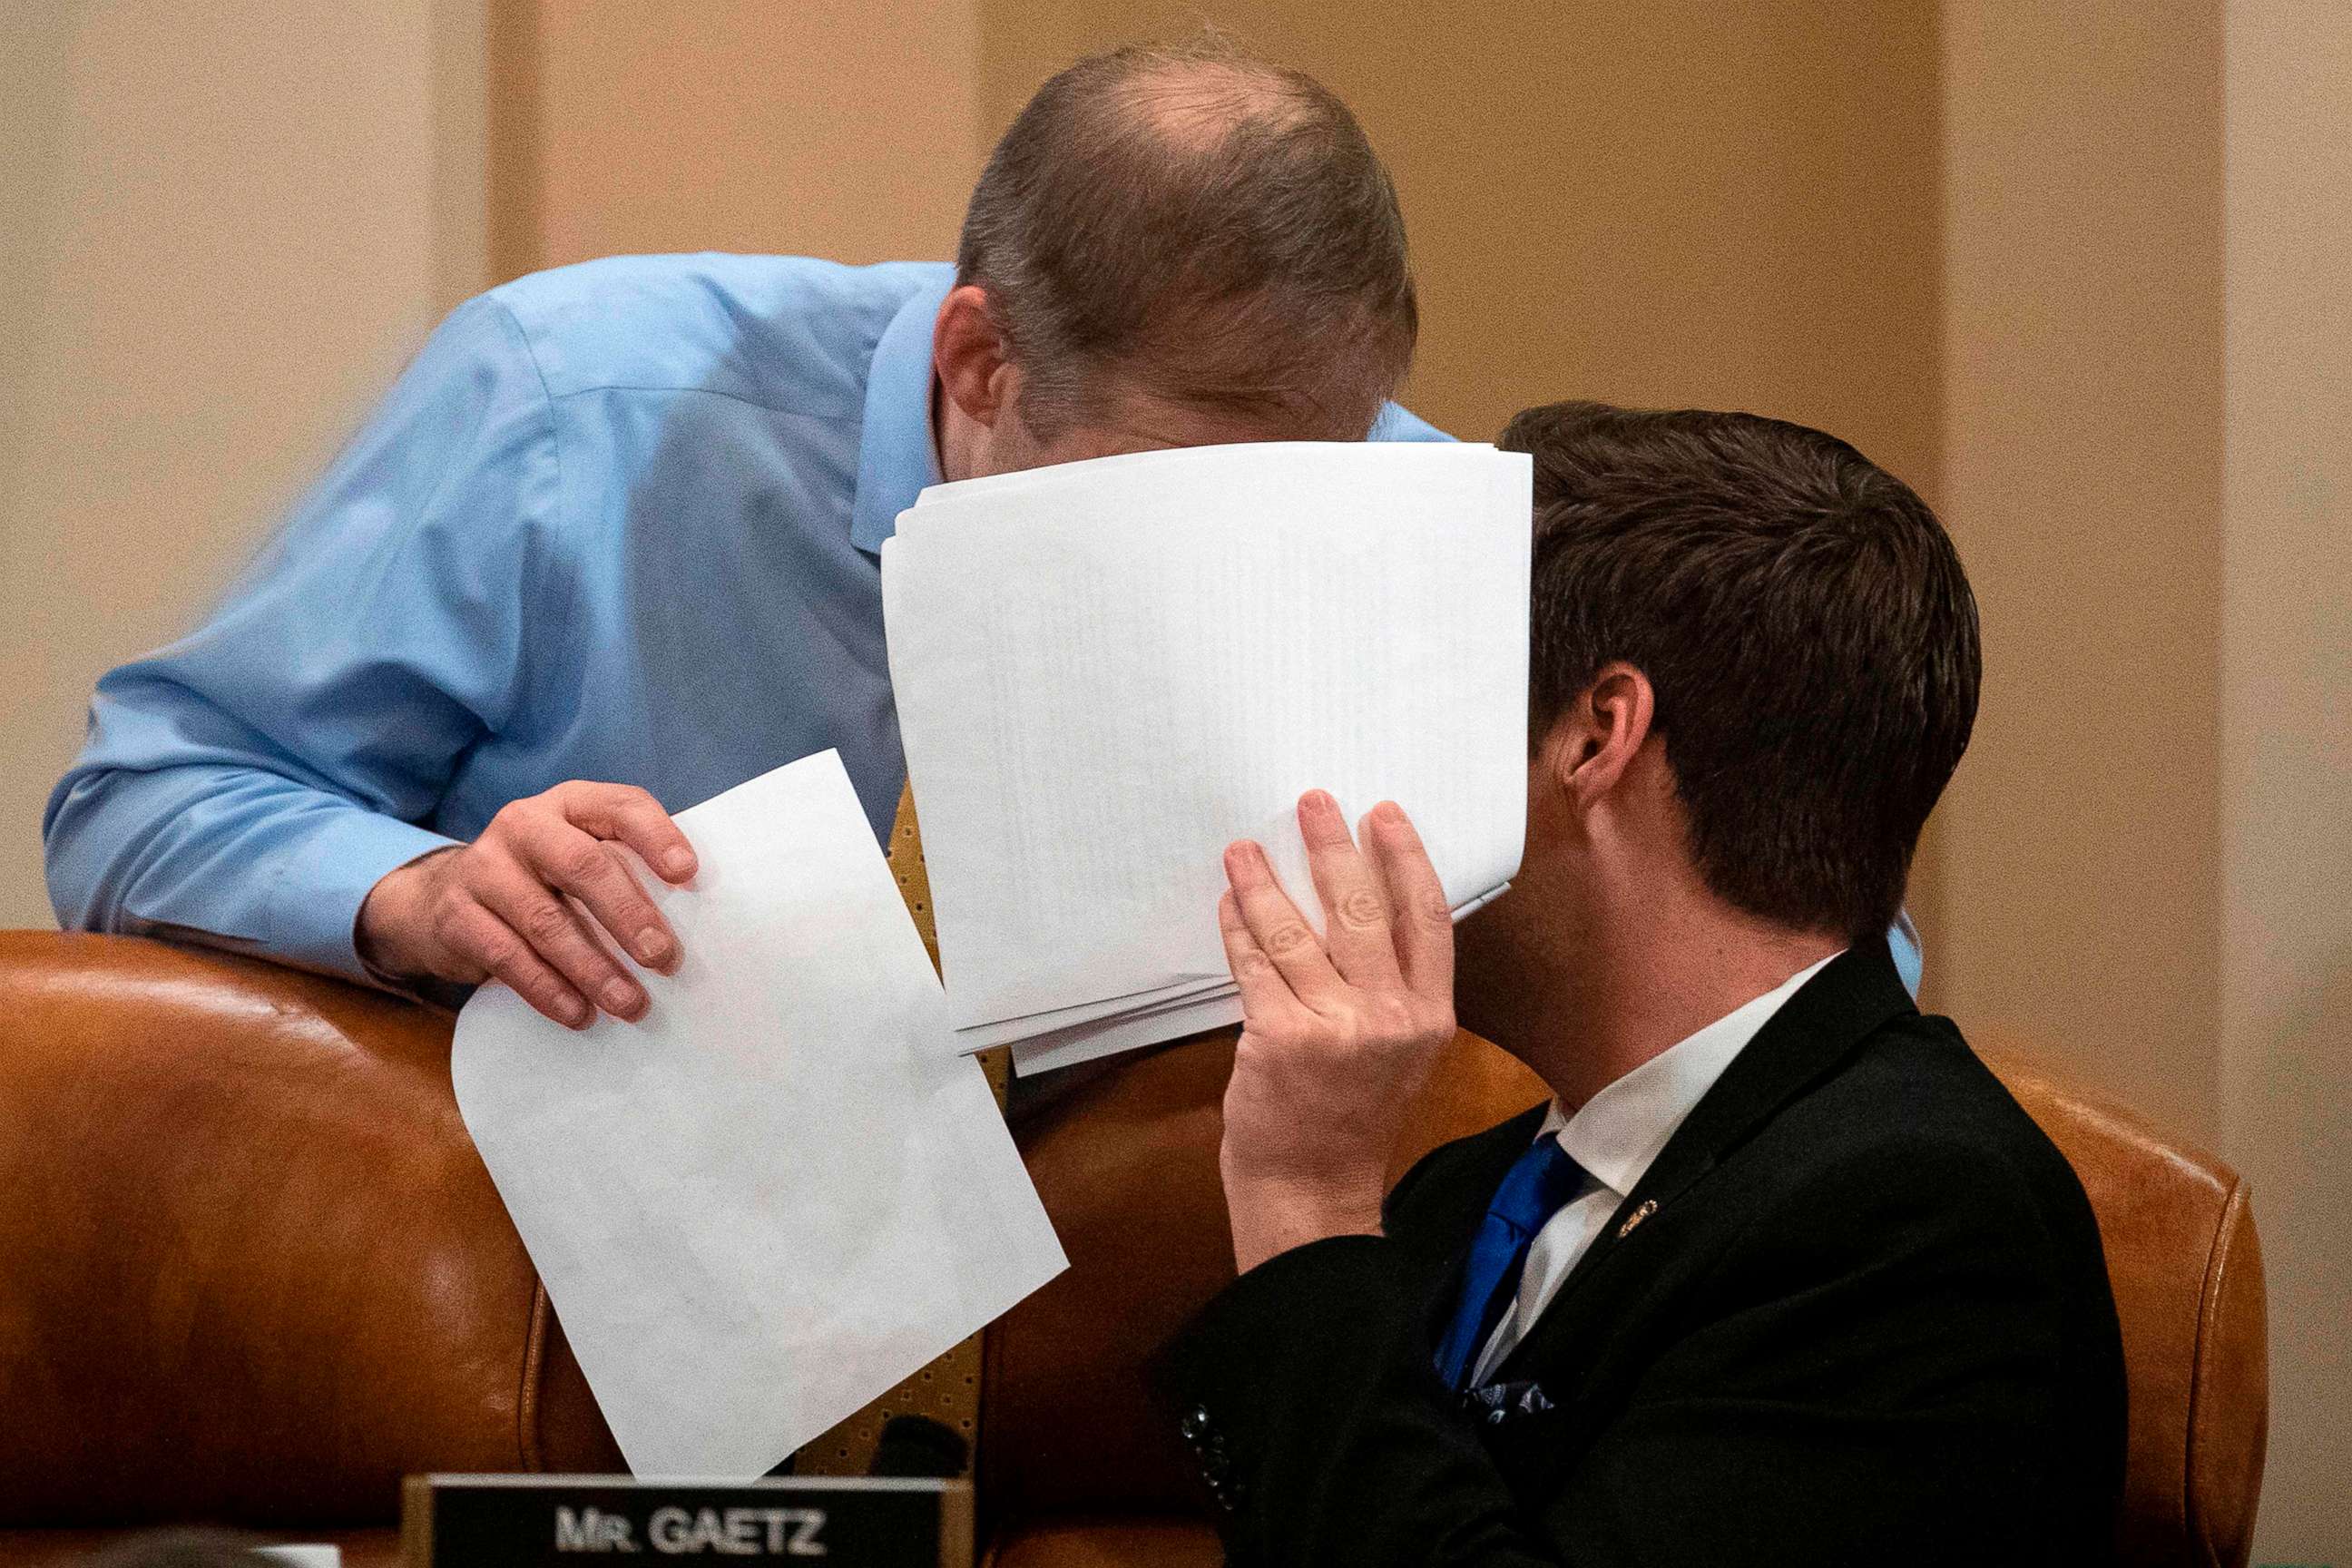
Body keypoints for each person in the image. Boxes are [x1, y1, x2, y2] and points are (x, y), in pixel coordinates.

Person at [44, 42, 1439, 1026]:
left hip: (1128, 1326)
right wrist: (419, 894)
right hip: (552, 1313)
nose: (1224, 559)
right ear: (980, 364)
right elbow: (141, 808)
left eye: (1286, 508)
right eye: (1160, 499)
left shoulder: (1405, 502)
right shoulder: (565, 406)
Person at [1158, 403, 2124, 1564]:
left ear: (1595, 737)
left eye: (1432, 711)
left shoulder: (1919, 1216)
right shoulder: (1470, 1192)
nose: (1379, 785)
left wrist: (1306, 1207)